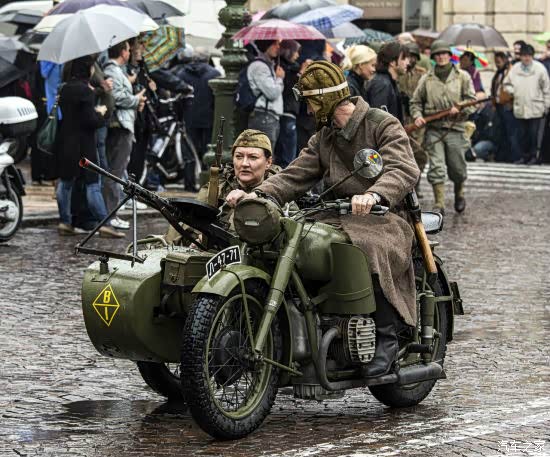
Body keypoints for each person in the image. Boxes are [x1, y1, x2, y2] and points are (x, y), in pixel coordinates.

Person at [226, 61, 420, 379]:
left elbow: (403, 168)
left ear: (325, 101)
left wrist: (374, 194)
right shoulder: (324, 137)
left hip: (384, 217)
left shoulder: (381, 124)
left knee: (367, 248)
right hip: (335, 214)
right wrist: (258, 194)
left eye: (311, 102)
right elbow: (295, 174)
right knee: (293, 239)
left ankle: (386, 337)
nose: (308, 110)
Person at [165, 129, 281, 244]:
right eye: (239, 156)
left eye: (253, 157)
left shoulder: (280, 192)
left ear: (268, 162)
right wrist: (197, 240)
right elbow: (181, 230)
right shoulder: (218, 188)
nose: (244, 163)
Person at [54, 55, 124, 238]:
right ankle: (105, 224)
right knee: (93, 185)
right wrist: (101, 114)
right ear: (86, 69)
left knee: (65, 183)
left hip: (66, 142)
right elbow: (89, 121)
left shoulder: (64, 89)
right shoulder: (85, 91)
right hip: (84, 144)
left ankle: (65, 222)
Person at [410, 39, 477, 214]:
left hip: (456, 128)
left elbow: (472, 101)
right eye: (437, 54)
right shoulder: (426, 78)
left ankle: (459, 194)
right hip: (434, 129)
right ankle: (439, 204)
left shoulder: (462, 76)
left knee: (457, 168)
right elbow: (416, 102)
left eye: (444, 54)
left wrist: (460, 108)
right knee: (436, 168)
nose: (441, 57)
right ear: (433, 57)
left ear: (449, 55)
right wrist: (418, 116)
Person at [103, 40, 147, 230]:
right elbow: (117, 97)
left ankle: (113, 211)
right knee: (115, 171)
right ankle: (110, 215)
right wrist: (136, 99)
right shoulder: (112, 70)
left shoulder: (116, 70)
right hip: (120, 125)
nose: (130, 52)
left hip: (124, 124)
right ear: (122, 52)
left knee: (118, 170)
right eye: (128, 49)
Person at [503, 43, 550, 165]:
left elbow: (547, 88)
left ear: (532, 56)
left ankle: (534, 156)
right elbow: (506, 84)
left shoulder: (540, 69)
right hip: (520, 105)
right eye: (524, 55)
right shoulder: (515, 68)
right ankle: (523, 156)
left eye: (529, 55)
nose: (526, 58)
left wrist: (547, 105)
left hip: (536, 106)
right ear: (521, 56)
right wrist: (514, 92)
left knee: (534, 134)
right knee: (522, 134)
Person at [173, 47, 221, 160]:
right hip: (209, 118)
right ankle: (205, 169)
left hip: (188, 117)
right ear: (208, 58)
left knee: (191, 150)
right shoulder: (215, 74)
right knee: (208, 149)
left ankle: (192, 170)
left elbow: (177, 98)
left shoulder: (181, 74)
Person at [274, 40, 311, 168]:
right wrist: (300, 74)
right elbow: (289, 89)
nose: (297, 55)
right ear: (288, 51)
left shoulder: (292, 67)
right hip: (286, 112)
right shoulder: (280, 67)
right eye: (295, 51)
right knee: (287, 153)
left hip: (292, 113)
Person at [398, 42, 428, 194]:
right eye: (408, 56)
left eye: (413, 57)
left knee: (418, 151)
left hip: (417, 118)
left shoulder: (423, 74)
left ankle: (416, 183)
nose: (411, 60)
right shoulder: (399, 73)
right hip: (403, 117)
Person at [247, 40, 285, 149]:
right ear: (266, 45)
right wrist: (279, 78)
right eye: (274, 44)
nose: (278, 47)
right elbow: (272, 93)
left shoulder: (267, 65)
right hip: (264, 117)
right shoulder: (260, 66)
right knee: (263, 153)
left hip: (268, 117)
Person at [366, 41, 409, 124]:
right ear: (392, 62)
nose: (407, 62)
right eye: (403, 58)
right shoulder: (382, 84)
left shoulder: (388, 82)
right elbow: (378, 120)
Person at [491, 51, 519, 162]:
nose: (497, 65)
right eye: (496, 62)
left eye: (499, 62)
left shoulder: (510, 71)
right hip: (499, 105)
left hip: (507, 104)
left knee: (511, 132)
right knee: (501, 132)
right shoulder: (498, 73)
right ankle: (503, 155)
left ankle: (514, 156)